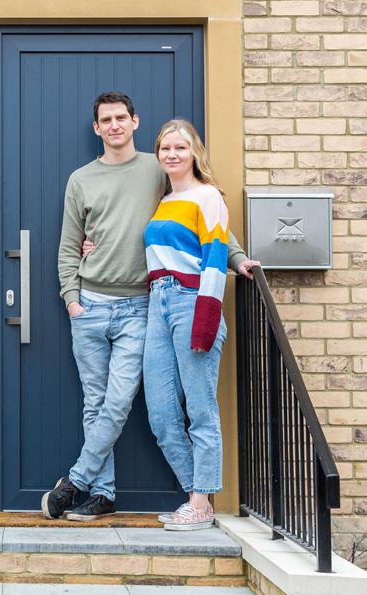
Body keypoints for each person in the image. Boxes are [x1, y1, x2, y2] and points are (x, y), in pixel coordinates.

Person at [41, 92, 257, 522]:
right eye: (106, 120)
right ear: (97, 128)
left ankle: (76, 481)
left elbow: (209, 217)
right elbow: (69, 245)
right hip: (91, 305)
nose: (115, 125)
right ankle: (102, 493)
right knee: (97, 404)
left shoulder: (158, 169)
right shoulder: (81, 179)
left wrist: (236, 258)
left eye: (121, 117)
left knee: (119, 401)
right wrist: (72, 299)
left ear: (135, 121)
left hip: (142, 305)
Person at [143, 119, 230, 531]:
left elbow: (215, 257)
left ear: (194, 152)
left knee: (200, 409)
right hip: (157, 303)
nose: (172, 154)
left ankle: (199, 502)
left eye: (180, 147)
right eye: (165, 148)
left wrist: (206, 320)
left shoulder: (208, 196)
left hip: (192, 301)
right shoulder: (164, 200)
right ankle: (197, 496)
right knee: (161, 415)